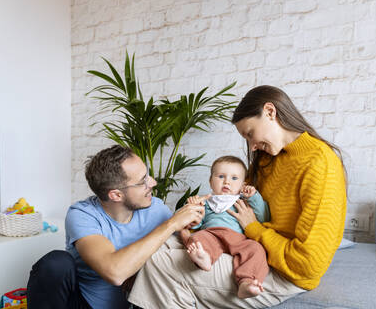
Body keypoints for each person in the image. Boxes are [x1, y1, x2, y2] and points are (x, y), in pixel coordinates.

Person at [128, 85, 347, 308]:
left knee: (161, 264)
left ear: (270, 112)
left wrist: (254, 229)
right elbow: (232, 201)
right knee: (163, 243)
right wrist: (199, 216)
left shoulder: (320, 163)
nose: (252, 147)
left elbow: (308, 265)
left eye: (250, 133)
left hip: (281, 270)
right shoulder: (268, 157)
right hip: (249, 244)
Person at [27, 145, 205, 309]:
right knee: (55, 263)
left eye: (147, 174)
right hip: (85, 305)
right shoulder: (82, 215)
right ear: (116, 195)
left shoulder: (156, 208)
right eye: (142, 181)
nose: (152, 183)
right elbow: (114, 273)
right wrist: (172, 223)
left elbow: (177, 252)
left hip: (137, 305)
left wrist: (188, 226)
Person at [180, 155, 270, 299]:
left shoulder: (242, 201)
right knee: (197, 238)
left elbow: (263, 216)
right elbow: (197, 224)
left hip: (239, 238)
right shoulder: (207, 202)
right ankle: (205, 258)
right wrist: (194, 207)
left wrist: (254, 197)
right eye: (221, 176)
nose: (227, 181)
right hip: (212, 234)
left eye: (234, 178)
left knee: (256, 249)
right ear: (211, 181)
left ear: (243, 184)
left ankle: (246, 282)